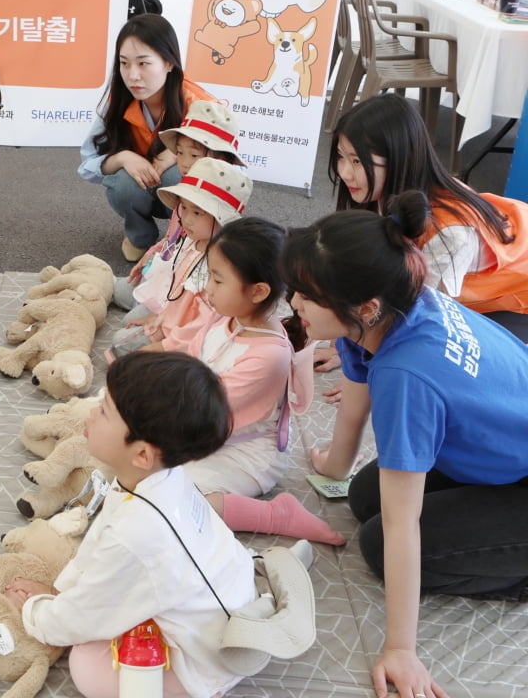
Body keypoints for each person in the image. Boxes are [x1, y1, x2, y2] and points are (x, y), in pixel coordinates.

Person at [285, 190, 528, 698]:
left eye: (307, 295)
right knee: (362, 495)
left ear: (363, 307)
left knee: (380, 542)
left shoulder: (405, 374)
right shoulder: (393, 305)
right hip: (507, 441)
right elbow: (354, 404)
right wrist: (332, 466)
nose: (293, 304)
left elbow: (401, 526)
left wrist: (401, 649)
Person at [4, 351, 259, 698]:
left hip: (210, 655)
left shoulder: (138, 536)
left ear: (141, 453)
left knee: (89, 666)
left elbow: (84, 616)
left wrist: (37, 610)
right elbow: (99, 546)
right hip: (227, 602)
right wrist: (61, 590)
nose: (92, 412)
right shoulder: (162, 477)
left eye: (105, 410)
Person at [166, 217, 344, 546]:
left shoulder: (269, 355)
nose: (208, 289)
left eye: (218, 280)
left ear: (258, 291)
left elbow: (204, 409)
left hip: (245, 453)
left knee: (168, 503)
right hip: (207, 433)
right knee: (135, 467)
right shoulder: (225, 318)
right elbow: (186, 363)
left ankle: (277, 515)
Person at [329, 92, 528, 341]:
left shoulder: (448, 231)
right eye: (340, 157)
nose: (345, 172)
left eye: (357, 161)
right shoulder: (394, 192)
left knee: (451, 354)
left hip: (517, 304)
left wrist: (352, 348)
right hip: (485, 284)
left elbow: (428, 316)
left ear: (399, 158)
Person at [78, 14, 216, 262]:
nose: (132, 75)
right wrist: (123, 158)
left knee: (179, 173)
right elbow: (87, 166)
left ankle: (188, 239)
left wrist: (177, 153)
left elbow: (225, 169)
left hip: (185, 196)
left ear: (169, 63)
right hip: (141, 189)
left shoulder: (201, 105)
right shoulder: (116, 103)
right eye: (124, 63)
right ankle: (140, 236)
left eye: (143, 63)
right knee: (122, 182)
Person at [107, 158, 252, 356]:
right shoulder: (192, 241)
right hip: (170, 314)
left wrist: (164, 343)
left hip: (187, 337)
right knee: (125, 326)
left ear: (222, 219)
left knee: (120, 344)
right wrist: (158, 316)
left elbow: (203, 323)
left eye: (198, 212)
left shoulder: (219, 265)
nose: (187, 219)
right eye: (184, 208)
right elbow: (177, 294)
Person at [113, 99, 244, 312]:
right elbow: (171, 238)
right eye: (180, 153)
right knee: (120, 289)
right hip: (169, 271)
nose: (183, 163)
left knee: (131, 326)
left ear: (222, 160)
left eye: (194, 155)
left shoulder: (220, 208)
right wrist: (152, 255)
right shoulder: (186, 191)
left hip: (191, 293)